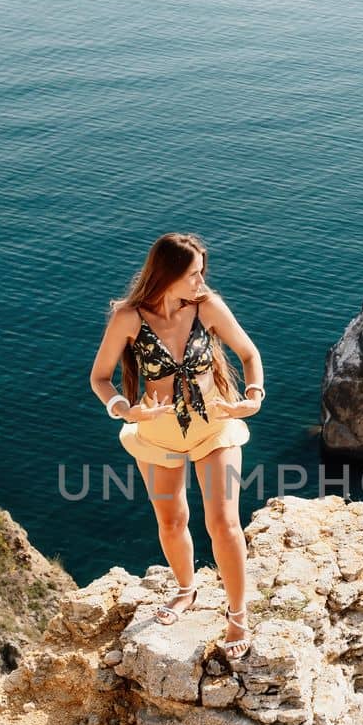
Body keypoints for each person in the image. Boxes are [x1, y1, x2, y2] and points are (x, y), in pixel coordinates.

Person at [88, 232, 265, 660]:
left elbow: (249, 354)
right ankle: (186, 589)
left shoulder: (208, 307)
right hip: (159, 431)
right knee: (171, 520)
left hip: (214, 426)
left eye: (203, 272)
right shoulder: (128, 318)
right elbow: (99, 377)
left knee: (223, 523)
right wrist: (124, 409)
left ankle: (237, 614)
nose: (201, 282)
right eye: (193, 275)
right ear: (166, 276)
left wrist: (253, 397)